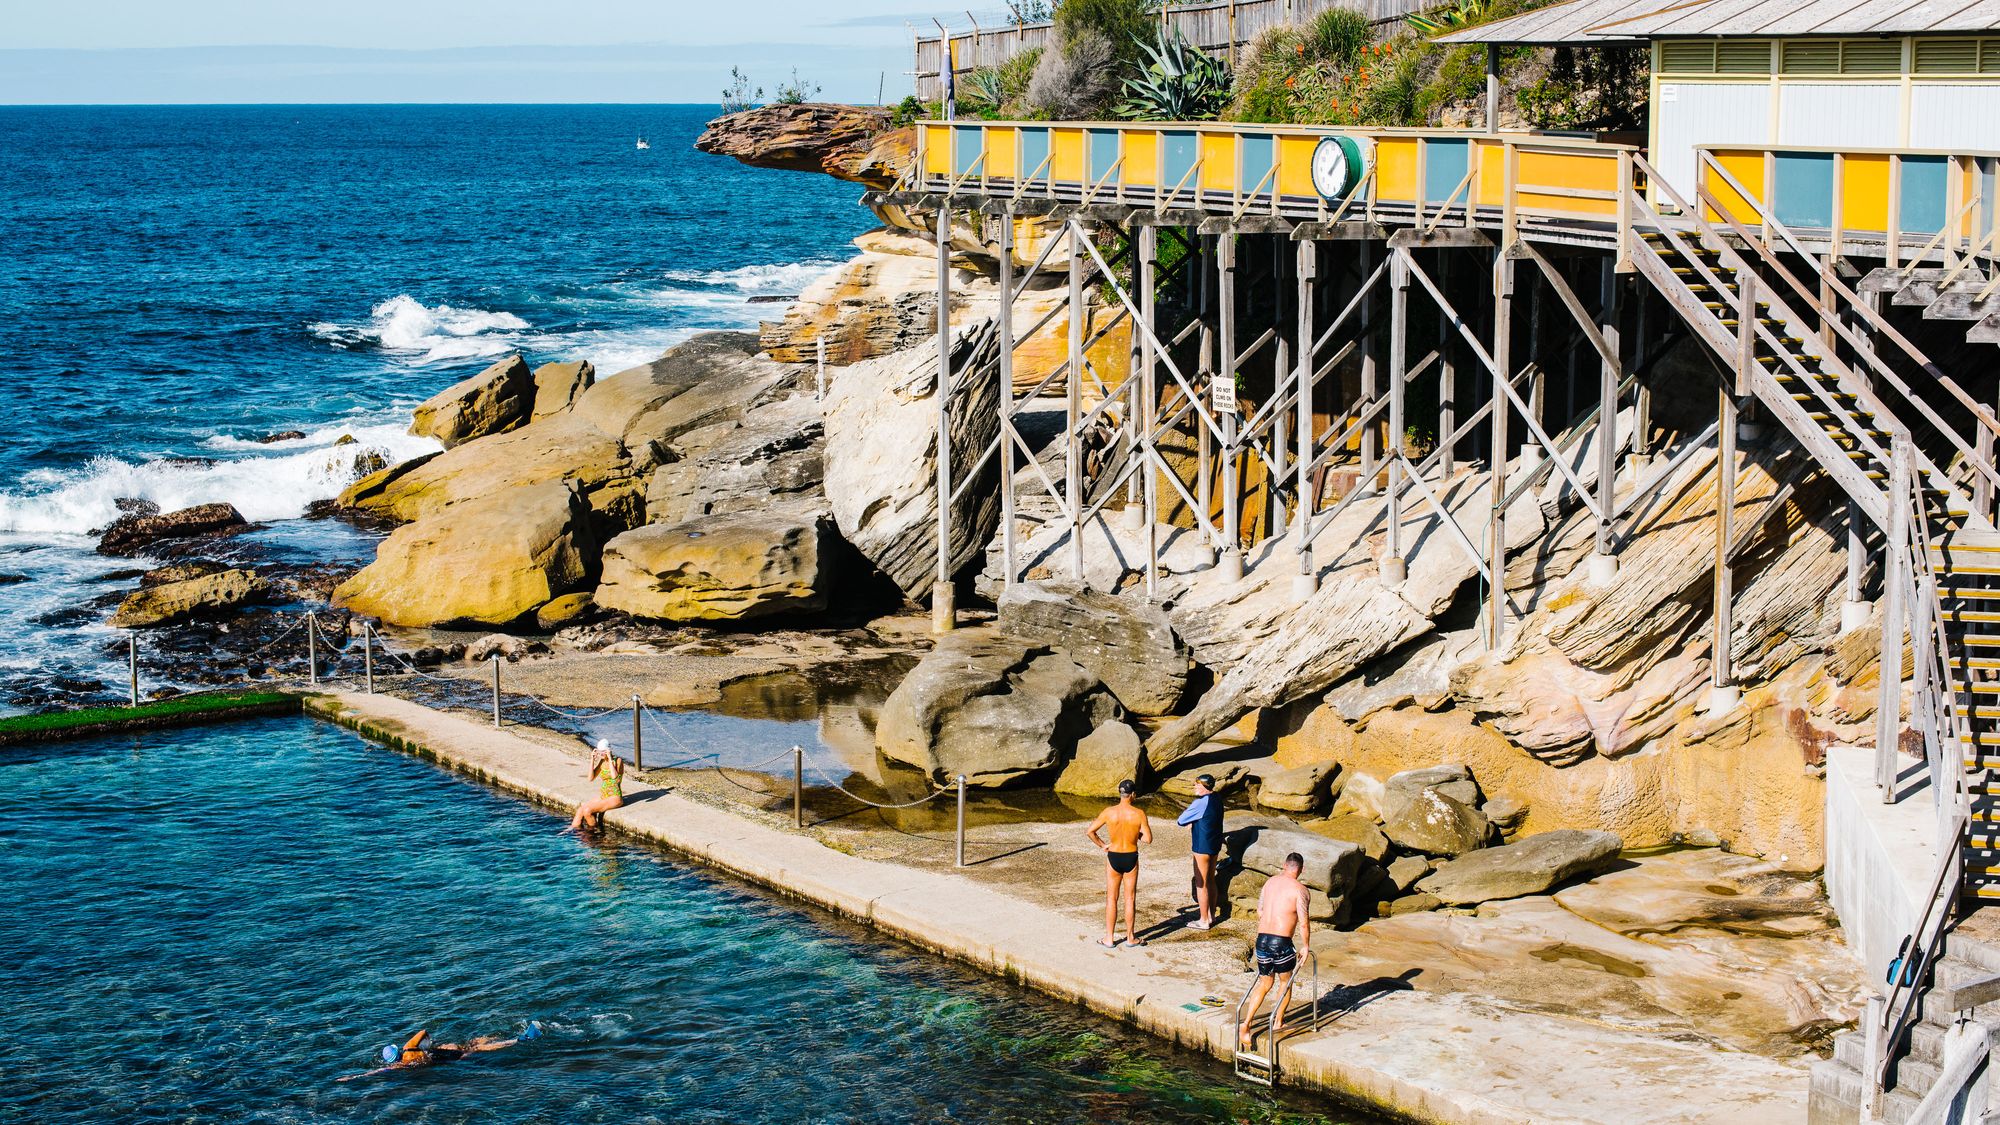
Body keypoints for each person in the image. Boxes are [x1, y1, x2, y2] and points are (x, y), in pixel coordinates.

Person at [1239, 852, 1311, 1051]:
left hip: (1262, 939)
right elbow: (1304, 923)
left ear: (1283, 865)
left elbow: (1260, 911)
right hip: (1281, 942)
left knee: (1265, 982)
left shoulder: (1270, 883)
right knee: (1285, 981)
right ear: (1301, 870)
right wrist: (1305, 947)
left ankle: (1246, 1024)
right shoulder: (1300, 890)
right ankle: (1278, 1021)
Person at [338, 1022, 541, 1082]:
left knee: (476, 1047)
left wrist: (353, 1077)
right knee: (476, 1044)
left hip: (448, 1059)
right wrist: (428, 1043)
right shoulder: (409, 1047)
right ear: (397, 1049)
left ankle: (519, 1038)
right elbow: (423, 1031)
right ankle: (519, 1037)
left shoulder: (401, 1065)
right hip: (448, 1051)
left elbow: (375, 1072)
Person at [1085, 779, 1152, 948]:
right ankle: (1130, 938)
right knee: (1130, 898)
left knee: (1111, 898)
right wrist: (1135, 834)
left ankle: (1109, 938)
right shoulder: (1139, 813)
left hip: (1113, 855)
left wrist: (1103, 845)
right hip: (1130, 855)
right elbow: (1148, 839)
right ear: (1133, 794)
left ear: (1120, 793)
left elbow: (1090, 831)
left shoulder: (1109, 812)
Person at [1174, 773, 1226, 930]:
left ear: (1204, 787)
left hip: (1202, 846)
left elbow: (1181, 820)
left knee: (1201, 883)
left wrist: (1192, 820)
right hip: (1214, 844)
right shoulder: (1217, 798)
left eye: (1197, 785)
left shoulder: (1200, 803)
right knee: (1211, 879)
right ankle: (1211, 915)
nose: (1194, 787)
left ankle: (1203, 920)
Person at [564, 739, 624, 834]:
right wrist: (592, 760)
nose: (601, 754)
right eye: (600, 752)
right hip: (604, 796)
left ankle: (593, 833)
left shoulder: (618, 761)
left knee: (588, 811)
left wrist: (609, 758)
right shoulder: (602, 762)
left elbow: (614, 777)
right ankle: (572, 829)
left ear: (608, 750)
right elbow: (590, 778)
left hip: (615, 797)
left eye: (603, 752)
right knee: (581, 809)